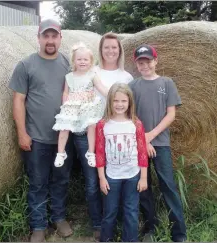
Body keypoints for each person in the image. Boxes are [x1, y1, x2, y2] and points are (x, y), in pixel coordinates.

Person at [9, 19, 74, 242]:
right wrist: (22, 133)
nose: (50, 40)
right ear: (38, 38)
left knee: (61, 179)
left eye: (54, 36)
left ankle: (58, 217)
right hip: (36, 137)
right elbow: (18, 100)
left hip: (63, 139)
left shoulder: (68, 64)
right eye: (45, 36)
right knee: (38, 182)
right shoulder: (26, 65)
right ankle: (38, 226)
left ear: (60, 38)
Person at [129, 44, 187, 242]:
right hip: (139, 143)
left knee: (168, 185)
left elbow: (171, 114)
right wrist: (143, 139)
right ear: (136, 64)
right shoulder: (133, 86)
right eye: (140, 62)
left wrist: (150, 136)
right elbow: (130, 114)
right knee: (143, 187)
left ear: (156, 61)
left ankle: (179, 233)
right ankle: (150, 228)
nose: (144, 65)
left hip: (160, 143)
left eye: (148, 61)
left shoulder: (167, 83)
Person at [95, 83, 149, 242]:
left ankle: (130, 239)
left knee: (131, 211)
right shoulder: (103, 124)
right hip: (111, 177)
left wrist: (143, 177)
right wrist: (102, 178)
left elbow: (142, 151)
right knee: (110, 211)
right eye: (115, 101)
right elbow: (99, 153)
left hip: (133, 175)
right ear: (110, 102)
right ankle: (106, 239)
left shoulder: (136, 123)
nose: (119, 104)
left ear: (129, 102)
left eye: (123, 101)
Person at [53, 43, 108, 168]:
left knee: (91, 125)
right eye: (79, 59)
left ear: (90, 61)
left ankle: (90, 152)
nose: (82, 62)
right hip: (72, 105)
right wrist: (64, 106)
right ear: (74, 61)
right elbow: (66, 92)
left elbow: (102, 88)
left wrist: (114, 93)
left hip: (87, 106)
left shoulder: (92, 75)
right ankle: (61, 153)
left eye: (85, 59)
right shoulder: (69, 77)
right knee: (64, 127)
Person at [96, 33, 133, 100]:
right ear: (101, 50)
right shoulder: (92, 72)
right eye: (106, 47)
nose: (110, 51)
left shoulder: (128, 78)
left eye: (114, 47)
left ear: (120, 50)